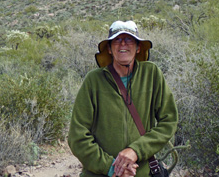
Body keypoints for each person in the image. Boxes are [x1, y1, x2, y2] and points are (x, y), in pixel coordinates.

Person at [68, 20, 178, 177]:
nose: (123, 45)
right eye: (117, 40)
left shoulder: (152, 74)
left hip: (141, 173)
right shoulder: (93, 80)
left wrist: (135, 150)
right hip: (100, 174)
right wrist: (112, 168)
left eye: (129, 40)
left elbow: (169, 121)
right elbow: (77, 136)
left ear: (138, 47)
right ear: (110, 49)